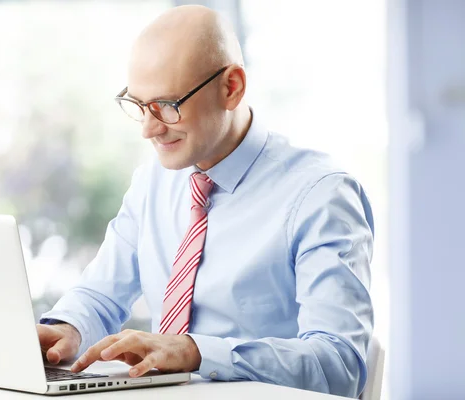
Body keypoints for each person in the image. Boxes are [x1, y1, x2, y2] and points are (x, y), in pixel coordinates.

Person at [37, 5, 374, 398]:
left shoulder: (321, 195)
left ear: (231, 87)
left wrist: (198, 352)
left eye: (167, 105)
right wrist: (66, 329)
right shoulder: (153, 181)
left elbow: (338, 365)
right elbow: (101, 295)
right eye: (138, 104)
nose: (148, 129)